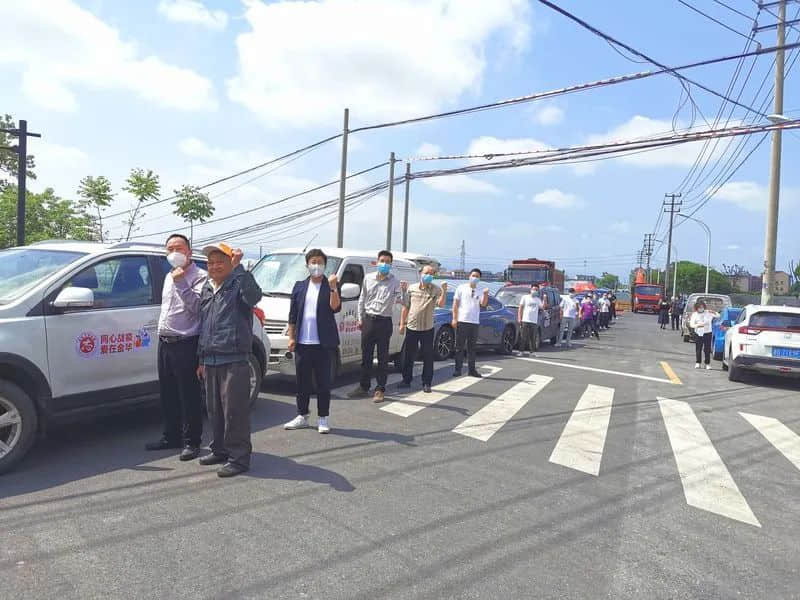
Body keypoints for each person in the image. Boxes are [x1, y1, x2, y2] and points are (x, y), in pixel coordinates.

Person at [196, 243, 262, 477]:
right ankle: (220, 449)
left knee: (234, 411)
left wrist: (239, 269)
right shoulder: (207, 288)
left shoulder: (239, 283)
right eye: (210, 263)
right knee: (214, 410)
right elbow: (204, 324)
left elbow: (254, 296)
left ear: (230, 262)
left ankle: (239, 458)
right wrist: (201, 358)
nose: (214, 266)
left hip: (234, 357)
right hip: (210, 358)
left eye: (219, 262)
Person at [146, 233, 207, 461]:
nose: (174, 253)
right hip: (165, 341)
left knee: (188, 395)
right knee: (168, 393)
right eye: (170, 249)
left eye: (179, 248)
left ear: (189, 251)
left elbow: (197, 308)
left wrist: (182, 283)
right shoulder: (168, 276)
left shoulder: (200, 277)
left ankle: (192, 441)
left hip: (186, 343)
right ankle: (171, 436)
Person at [284, 249, 341, 433]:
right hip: (303, 342)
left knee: (323, 383)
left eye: (320, 262)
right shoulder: (299, 286)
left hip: (323, 344)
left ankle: (323, 418)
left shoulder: (329, 285)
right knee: (302, 383)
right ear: (307, 265)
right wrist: (291, 337)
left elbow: (335, 307)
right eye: (313, 262)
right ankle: (302, 415)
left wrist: (333, 288)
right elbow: (293, 315)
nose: (316, 266)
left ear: (325, 265)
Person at [349, 250, 407, 403]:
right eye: (382, 261)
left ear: (391, 264)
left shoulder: (395, 281)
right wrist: (360, 318)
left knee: (383, 358)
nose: (384, 264)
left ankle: (380, 389)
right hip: (368, 320)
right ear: (377, 262)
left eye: (387, 262)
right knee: (366, 357)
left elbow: (402, 301)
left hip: (384, 322)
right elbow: (362, 299)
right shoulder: (368, 278)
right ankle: (363, 386)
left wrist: (404, 291)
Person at [399, 266, 447, 392]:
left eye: (432, 273)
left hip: (427, 328)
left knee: (428, 356)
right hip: (412, 327)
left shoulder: (436, 289)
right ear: (420, 273)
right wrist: (402, 324)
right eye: (426, 273)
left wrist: (444, 291)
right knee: (409, 355)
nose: (429, 275)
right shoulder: (412, 288)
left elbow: (441, 304)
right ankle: (406, 380)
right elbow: (406, 306)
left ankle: (427, 382)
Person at [452, 268, 490, 377]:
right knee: (459, 347)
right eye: (473, 275)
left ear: (480, 279)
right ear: (469, 276)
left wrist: (486, 294)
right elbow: (455, 304)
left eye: (477, 276)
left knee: (472, 348)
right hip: (462, 320)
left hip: (474, 322)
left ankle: (472, 370)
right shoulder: (461, 288)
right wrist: (454, 318)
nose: (475, 278)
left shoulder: (480, 290)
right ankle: (458, 369)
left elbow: (483, 304)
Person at [689, 300, 719, 370]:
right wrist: (698, 325)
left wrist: (713, 312)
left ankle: (707, 363)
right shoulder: (695, 314)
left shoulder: (708, 312)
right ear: (697, 308)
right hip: (698, 333)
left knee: (707, 349)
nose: (701, 309)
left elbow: (718, 316)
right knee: (698, 348)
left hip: (707, 332)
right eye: (699, 307)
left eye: (702, 307)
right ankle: (698, 362)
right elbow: (691, 324)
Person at [517, 284, 545, 355]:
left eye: (536, 290)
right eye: (534, 289)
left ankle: (532, 352)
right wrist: (519, 318)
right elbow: (520, 308)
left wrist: (545, 299)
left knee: (532, 337)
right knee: (523, 337)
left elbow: (543, 307)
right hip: (525, 320)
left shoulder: (538, 299)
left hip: (534, 321)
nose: (535, 291)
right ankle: (521, 351)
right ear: (531, 289)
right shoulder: (525, 297)